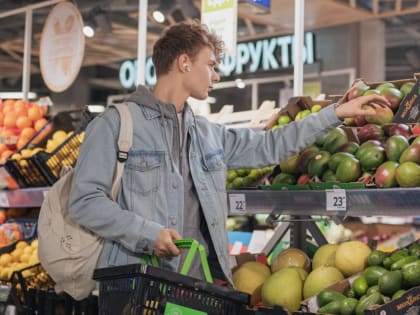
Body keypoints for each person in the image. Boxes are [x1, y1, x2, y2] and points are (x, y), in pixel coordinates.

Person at [69, 20, 390, 284]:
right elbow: (84, 201)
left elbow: (271, 145)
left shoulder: (208, 134)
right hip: (136, 284)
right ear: (184, 63)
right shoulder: (115, 125)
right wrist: (147, 233)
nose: (216, 75)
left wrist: (334, 113)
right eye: (210, 65)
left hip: (197, 285)